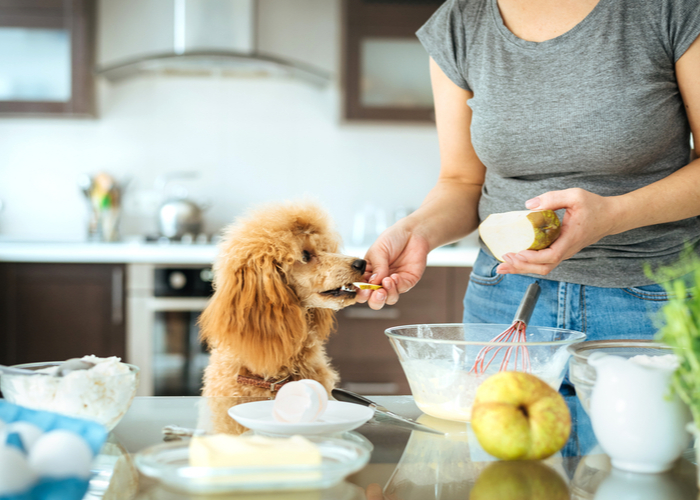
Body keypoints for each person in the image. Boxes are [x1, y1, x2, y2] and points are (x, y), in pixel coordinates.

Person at [358, 0, 700, 343]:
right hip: (503, 295)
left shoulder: (669, 9)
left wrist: (612, 215)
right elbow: (461, 181)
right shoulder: (460, 21)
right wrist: (417, 233)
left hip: (654, 296)